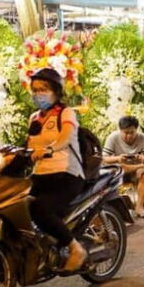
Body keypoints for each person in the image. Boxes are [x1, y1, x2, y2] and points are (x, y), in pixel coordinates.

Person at [26, 68, 87, 271]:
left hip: (66, 175)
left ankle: (75, 248)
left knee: (41, 210)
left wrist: (50, 148)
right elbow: (28, 148)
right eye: (35, 90)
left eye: (43, 89)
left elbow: (65, 137)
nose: (38, 94)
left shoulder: (66, 113)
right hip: (40, 175)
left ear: (56, 91)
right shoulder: (34, 118)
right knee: (18, 207)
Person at [103, 116, 144, 218]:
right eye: (125, 133)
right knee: (121, 167)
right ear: (120, 131)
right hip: (120, 171)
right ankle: (115, 210)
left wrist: (142, 158)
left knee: (143, 173)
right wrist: (118, 158)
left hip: (135, 171)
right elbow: (104, 158)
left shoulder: (143, 138)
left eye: (132, 132)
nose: (129, 136)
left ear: (136, 130)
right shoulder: (113, 138)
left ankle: (139, 207)